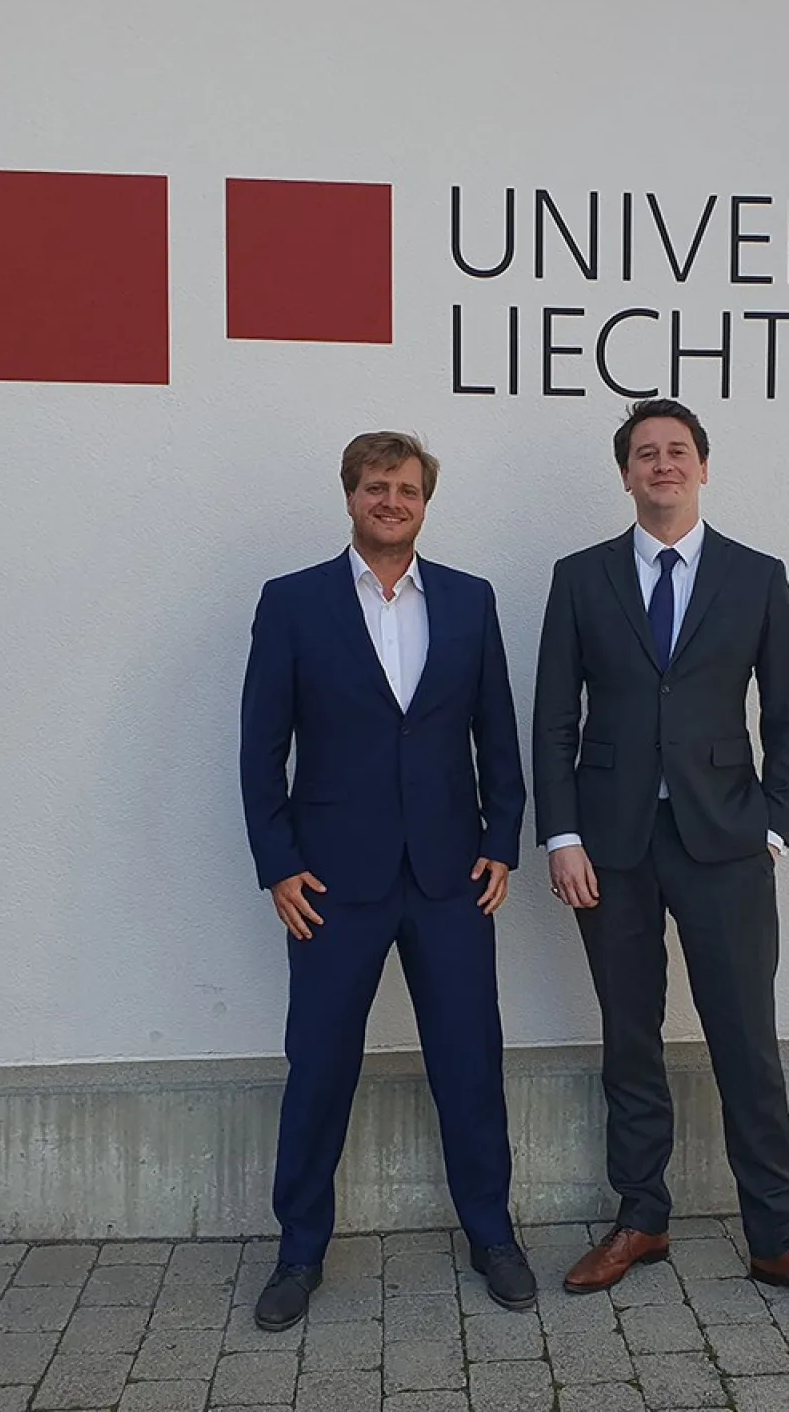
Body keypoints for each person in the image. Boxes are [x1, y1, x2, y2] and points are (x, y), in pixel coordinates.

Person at [532, 399, 789, 1318]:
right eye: (646, 454)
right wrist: (561, 836)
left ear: (703, 468)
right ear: (627, 474)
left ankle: (777, 1235)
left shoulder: (757, 577)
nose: (663, 465)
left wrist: (774, 824)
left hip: (725, 844)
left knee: (745, 1041)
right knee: (629, 1037)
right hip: (612, 849)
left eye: (677, 451)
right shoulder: (581, 578)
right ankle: (641, 1216)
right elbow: (556, 716)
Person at [240, 431, 535, 1328]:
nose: (392, 501)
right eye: (377, 487)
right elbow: (261, 746)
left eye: (407, 488)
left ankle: (493, 1235)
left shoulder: (469, 600)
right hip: (331, 883)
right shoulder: (292, 604)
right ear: (351, 496)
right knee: (320, 1067)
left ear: (424, 501)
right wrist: (279, 864)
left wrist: (503, 838)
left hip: (450, 878)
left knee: (469, 1063)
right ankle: (299, 1253)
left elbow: (498, 732)